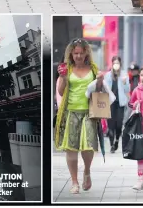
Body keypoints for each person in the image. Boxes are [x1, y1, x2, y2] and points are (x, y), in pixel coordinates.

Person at [54, 38, 105, 195]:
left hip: (90, 113)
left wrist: (100, 80)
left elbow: (100, 91)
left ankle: (87, 172)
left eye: (81, 53)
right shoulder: (66, 69)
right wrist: (62, 78)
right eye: (75, 53)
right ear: (71, 54)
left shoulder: (93, 69)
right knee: (71, 149)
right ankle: (74, 181)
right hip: (71, 112)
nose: (78, 56)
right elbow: (61, 92)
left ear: (86, 53)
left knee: (88, 146)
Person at [104, 56, 131, 153]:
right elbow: (105, 88)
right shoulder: (107, 75)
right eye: (114, 63)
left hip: (120, 103)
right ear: (112, 64)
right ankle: (111, 145)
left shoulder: (124, 75)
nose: (116, 65)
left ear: (120, 64)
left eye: (117, 63)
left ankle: (116, 140)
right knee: (111, 124)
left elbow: (127, 90)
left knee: (119, 124)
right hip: (110, 102)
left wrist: (124, 83)